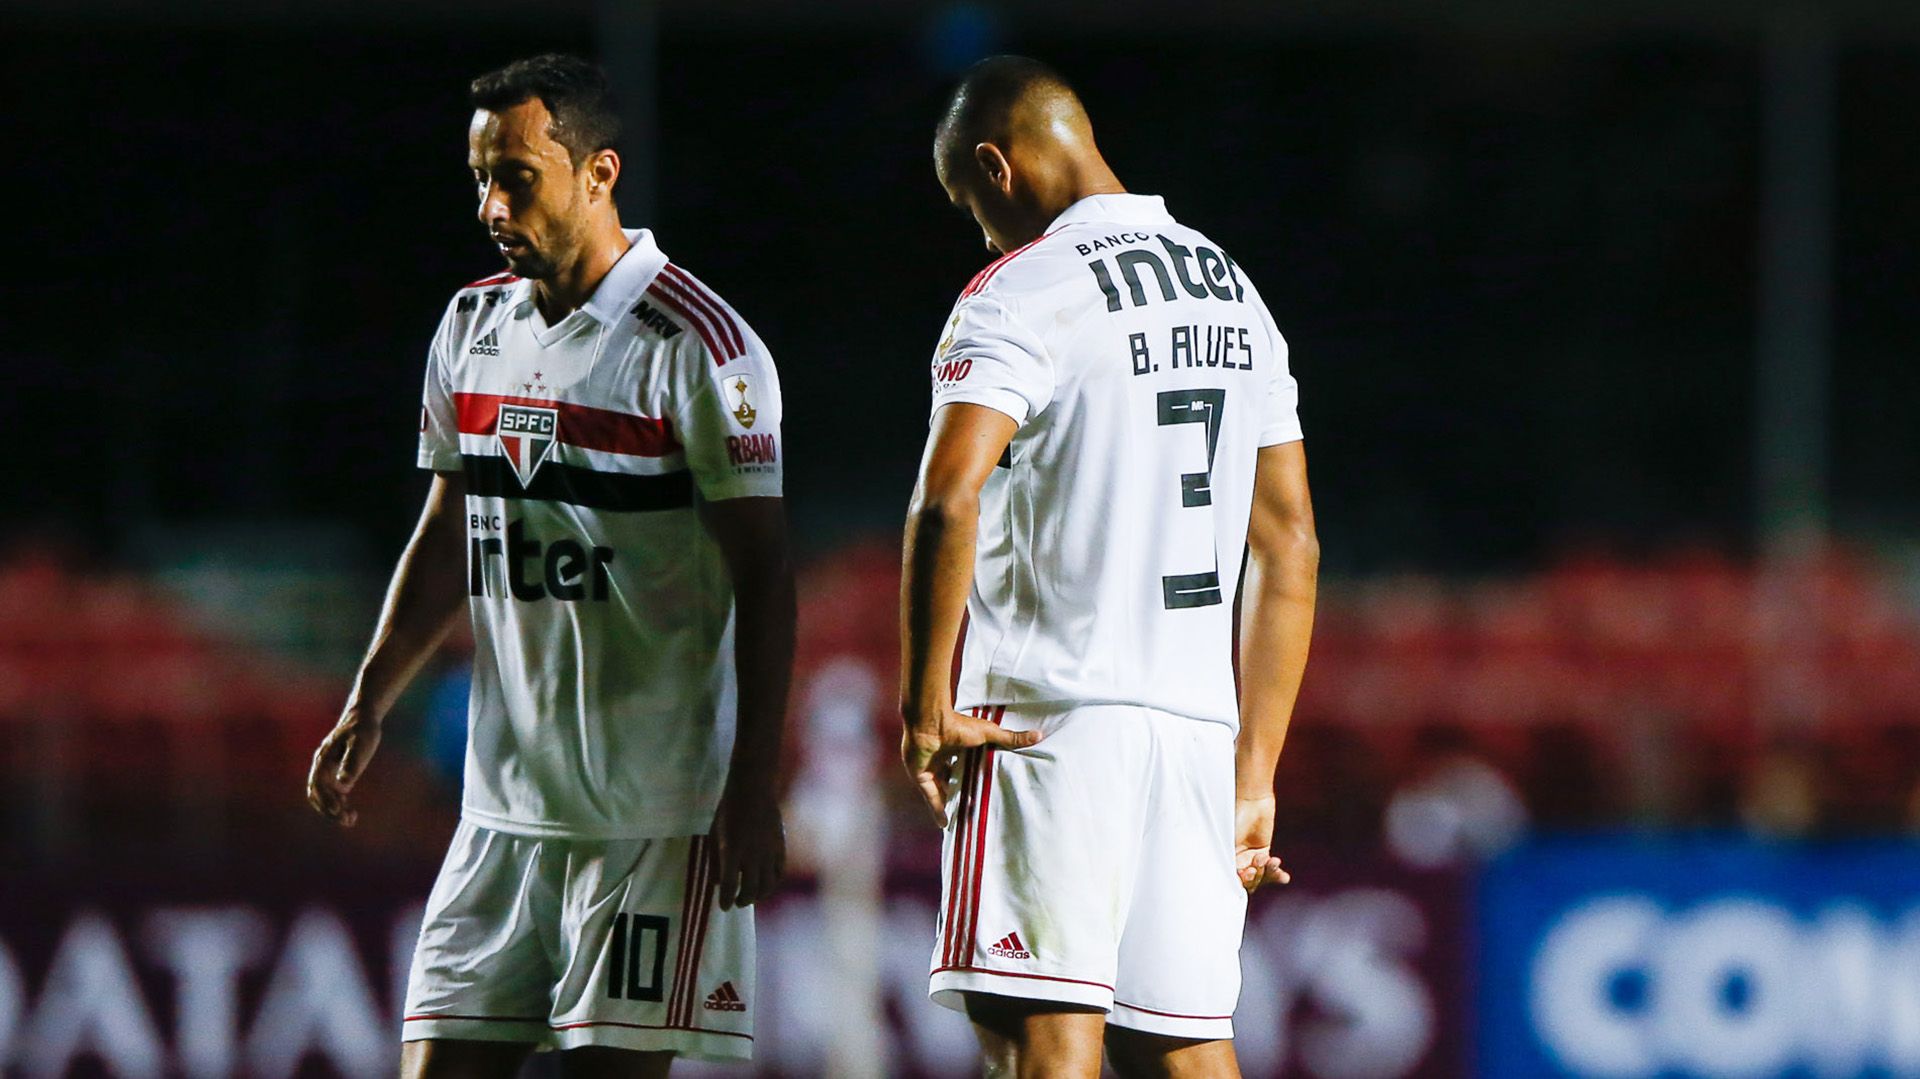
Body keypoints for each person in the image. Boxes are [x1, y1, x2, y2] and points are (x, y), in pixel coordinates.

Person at [304, 54, 793, 1078]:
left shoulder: (702, 347)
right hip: (500, 814)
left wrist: (753, 784)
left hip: (651, 822)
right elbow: (450, 529)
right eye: (480, 177)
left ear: (599, 171)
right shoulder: (469, 325)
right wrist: (369, 696)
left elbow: (764, 575)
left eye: (516, 177)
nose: (490, 205)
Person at [899, 56, 1319, 1077]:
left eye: (968, 205)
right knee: (1185, 1047)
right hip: (1196, 736)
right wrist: (1254, 768)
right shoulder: (1234, 288)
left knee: (1039, 1043)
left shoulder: (1020, 289)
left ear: (995, 167)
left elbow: (948, 498)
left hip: (1048, 720)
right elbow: (1290, 543)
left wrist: (923, 707)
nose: (980, 231)